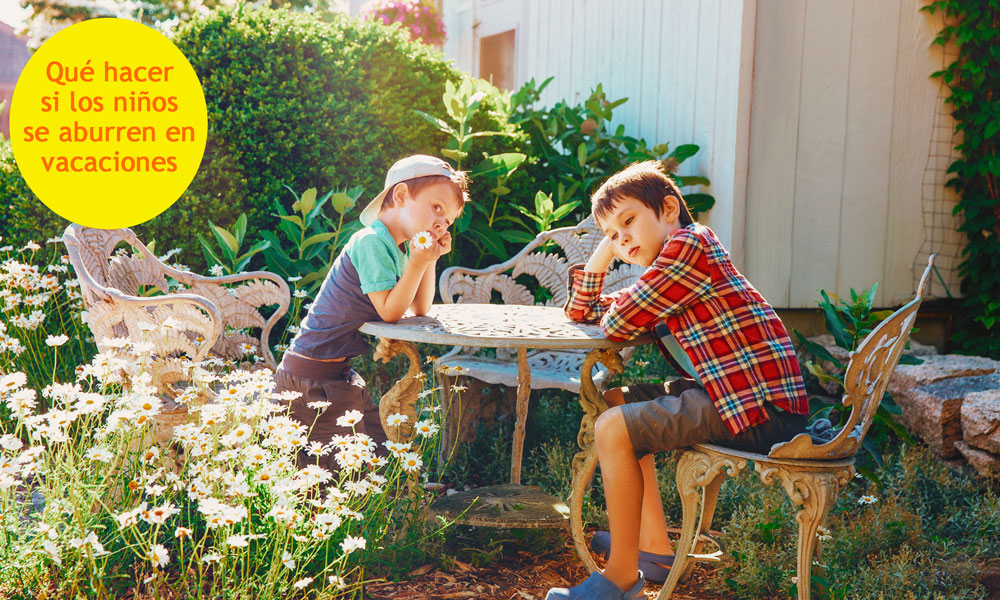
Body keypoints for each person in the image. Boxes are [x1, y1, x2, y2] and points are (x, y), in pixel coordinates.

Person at [547, 161, 809, 600]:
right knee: (613, 402)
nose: (622, 238)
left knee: (613, 427)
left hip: (759, 408)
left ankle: (620, 580)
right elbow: (584, 312)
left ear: (669, 209)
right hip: (731, 395)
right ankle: (652, 546)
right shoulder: (668, 266)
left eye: (628, 221)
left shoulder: (691, 244)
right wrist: (604, 251)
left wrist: (614, 269)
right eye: (610, 233)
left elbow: (619, 321)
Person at [275, 155, 469, 471]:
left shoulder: (397, 249)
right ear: (402, 195)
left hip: (336, 374)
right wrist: (418, 263)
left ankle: (395, 508)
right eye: (437, 208)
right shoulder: (370, 242)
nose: (441, 223)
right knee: (331, 478)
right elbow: (391, 312)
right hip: (308, 380)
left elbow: (420, 308)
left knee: (379, 448)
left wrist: (429, 259)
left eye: (447, 221)